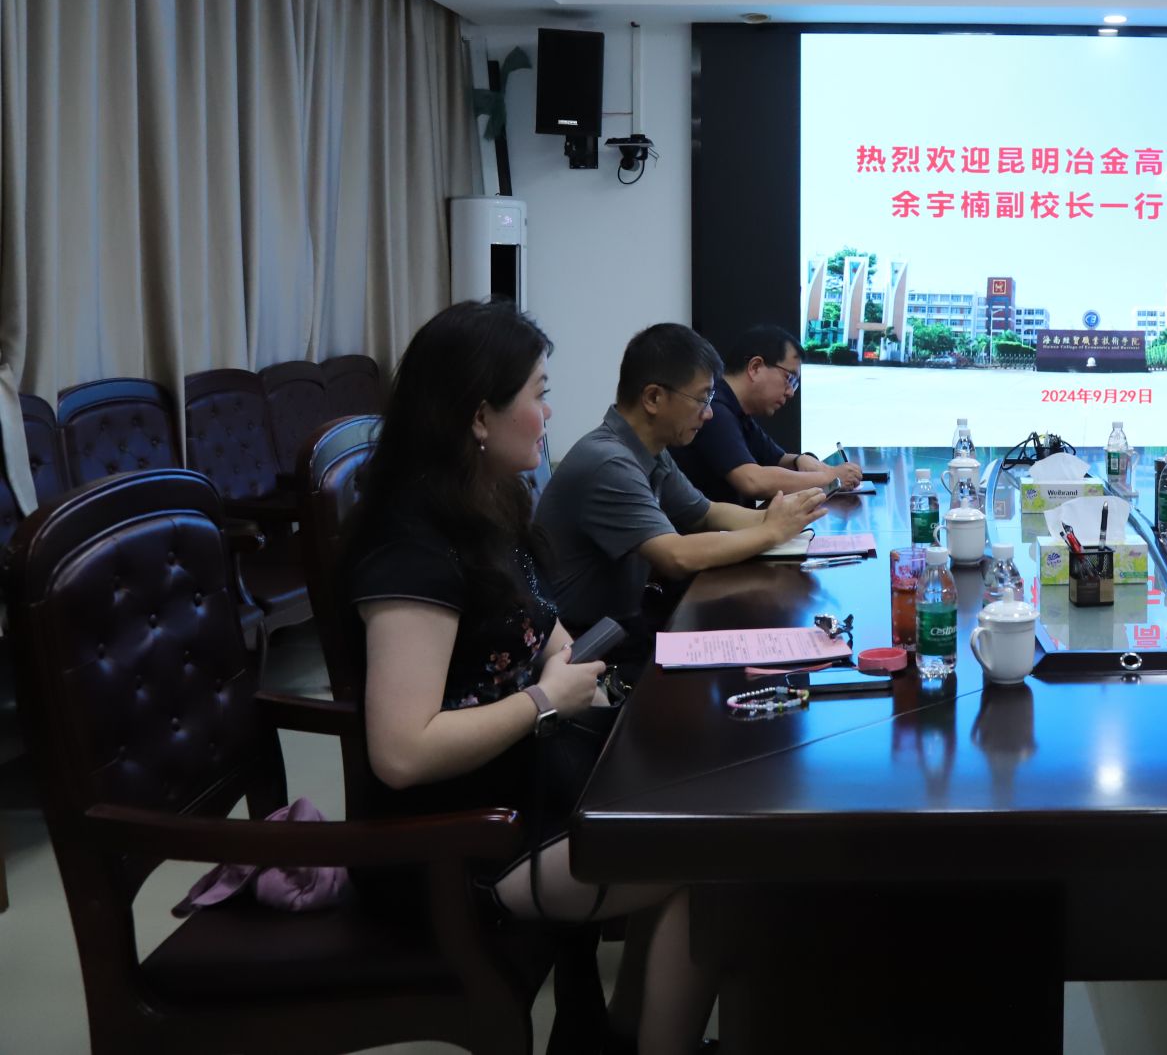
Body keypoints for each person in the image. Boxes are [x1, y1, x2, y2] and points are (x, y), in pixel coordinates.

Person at [341, 300, 711, 1050]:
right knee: (712, 861)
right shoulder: (412, 546)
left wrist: (558, 657)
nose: (549, 414)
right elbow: (402, 751)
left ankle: (622, 1033)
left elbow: (541, 623)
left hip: (521, 789)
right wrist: (546, 698)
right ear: (480, 415)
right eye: (538, 394)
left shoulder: (488, 501)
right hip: (454, 843)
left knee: (701, 809)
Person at [536, 322, 827, 640]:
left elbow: (706, 513)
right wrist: (770, 531)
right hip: (585, 642)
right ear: (653, 398)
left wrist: (779, 517)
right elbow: (677, 556)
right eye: (702, 399)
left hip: (621, 623)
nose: (709, 413)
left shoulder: (651, 449)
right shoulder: (609, 461)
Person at [672, 323, 862, 505]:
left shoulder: (738, 411)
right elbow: (753, 481)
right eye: (789, 379)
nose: (791, 392)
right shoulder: (715, 410)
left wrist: (800, 460)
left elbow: (776, 459)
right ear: (755, 367)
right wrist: (830, 478)